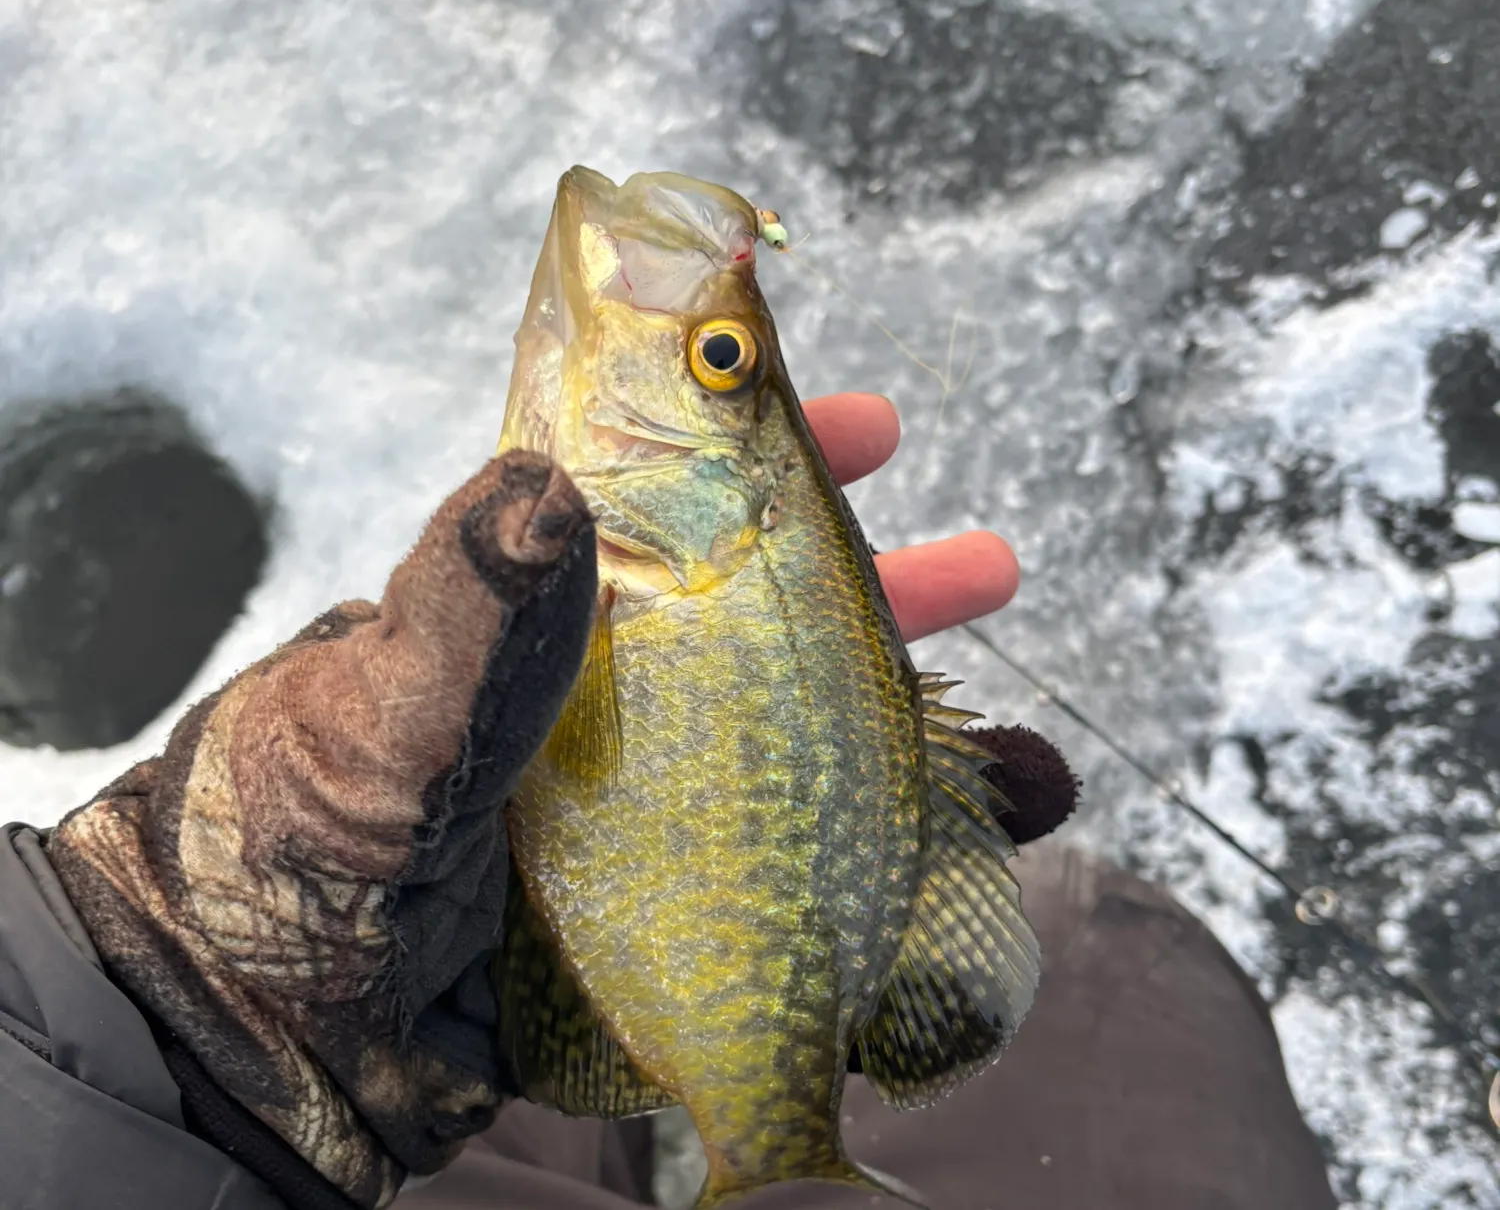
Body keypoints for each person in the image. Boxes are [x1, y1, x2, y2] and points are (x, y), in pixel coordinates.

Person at [0, 394, 1335, 1210]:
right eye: (720, 365)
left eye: (715, 368)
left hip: (346, 1133)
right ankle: (756, 1129)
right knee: (1121, 961)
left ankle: (751, 1131)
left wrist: (181, 1007)